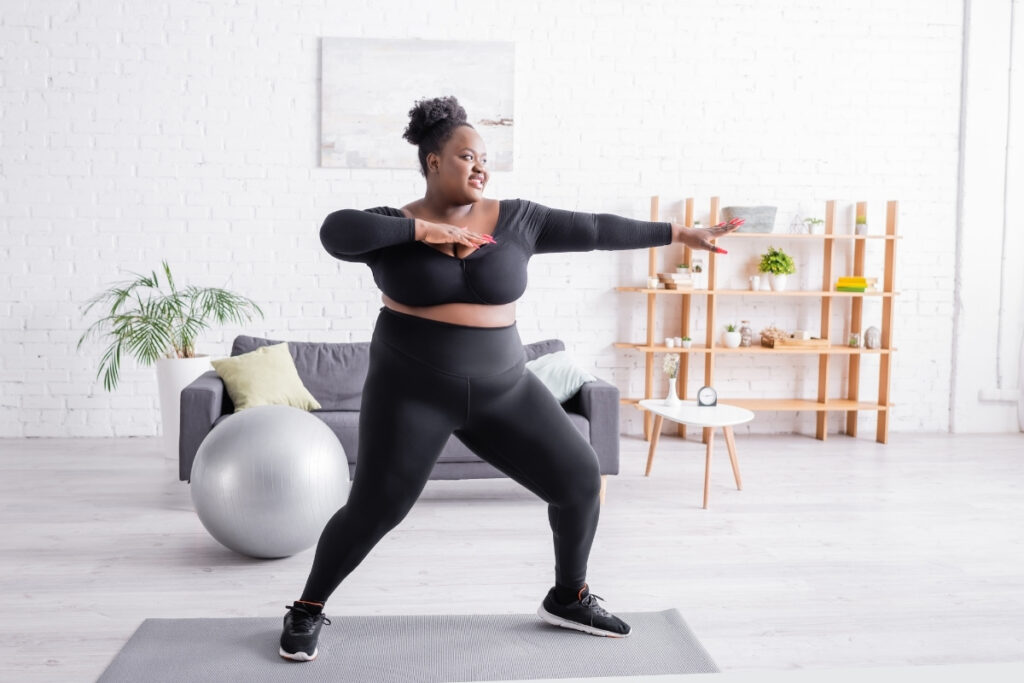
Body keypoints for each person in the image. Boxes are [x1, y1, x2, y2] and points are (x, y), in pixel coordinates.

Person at [279, 95, 739, 661]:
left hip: (505, 390)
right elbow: (334, 232)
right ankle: (307, 608)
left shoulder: (519, 219)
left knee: (579, 480)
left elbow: (596, 227)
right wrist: (419, 235)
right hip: (411, 395)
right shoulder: (389, 226)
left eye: (485, 158)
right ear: (432, 162)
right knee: (377, 508)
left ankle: (568, 596)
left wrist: (677, 232)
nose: (480, 166)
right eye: (466, 156)